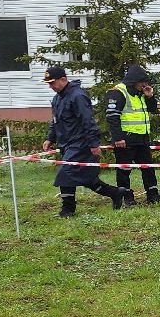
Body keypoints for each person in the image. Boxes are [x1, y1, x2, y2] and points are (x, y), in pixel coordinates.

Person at [42, 64, 131, 215]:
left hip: (80, 144)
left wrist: (93, 144)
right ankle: (116, 193)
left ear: (63, 79)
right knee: (87, 178)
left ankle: (68, 209)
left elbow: (88, 121)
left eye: (52, 83)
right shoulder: (57, 99)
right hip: (66, 144)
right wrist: (50, 138)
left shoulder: (78, 96)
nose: (51, 87)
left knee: (65, 173)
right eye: (48, 84)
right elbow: (55, 120)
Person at [104, 65, 160, 205]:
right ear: (134, 80)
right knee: (124, 170)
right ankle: (127, 198)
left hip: (142, 138)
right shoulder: (118, 92)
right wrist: (118, 138)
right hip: (126, 139)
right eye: (142, 82)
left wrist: (150, 97)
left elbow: (153, 109)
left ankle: (153, 195)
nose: (145, 85)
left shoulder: (140, 93)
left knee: (148, 168)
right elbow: (112, 117)